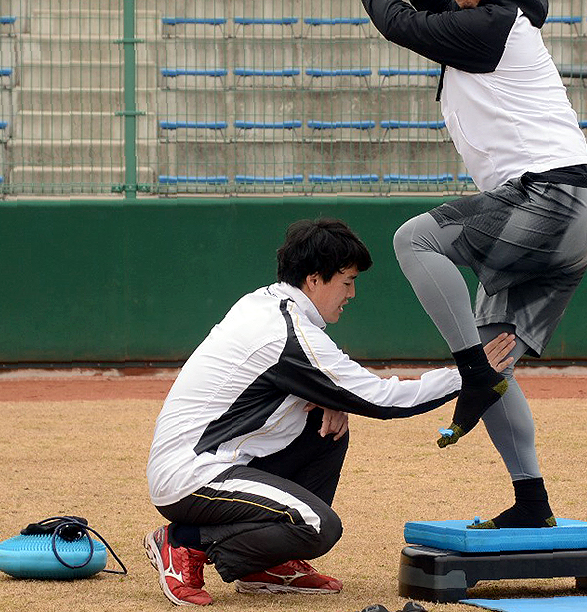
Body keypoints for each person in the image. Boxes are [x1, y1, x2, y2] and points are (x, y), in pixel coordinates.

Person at [351, 0, 587, 529]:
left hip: (545, 200)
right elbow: (439, 8)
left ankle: (468, 371)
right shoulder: (492, 17)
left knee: (414, 239)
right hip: (573, 215)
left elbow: (407, 26)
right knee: (497, 365)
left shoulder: (496, 22)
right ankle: (532, 503)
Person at [144, 218, 515, 606]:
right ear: (314, 279)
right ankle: (182, 541)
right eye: (347, 281)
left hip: (214, 461)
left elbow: (307, 386)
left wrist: (332, 400)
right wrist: (468, 374)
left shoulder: (267, 304)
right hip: (190, 476)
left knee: (328, 426)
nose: (352, 293)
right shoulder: (284, 331)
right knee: (318, 526)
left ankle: (267, 563)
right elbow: (383, 399)